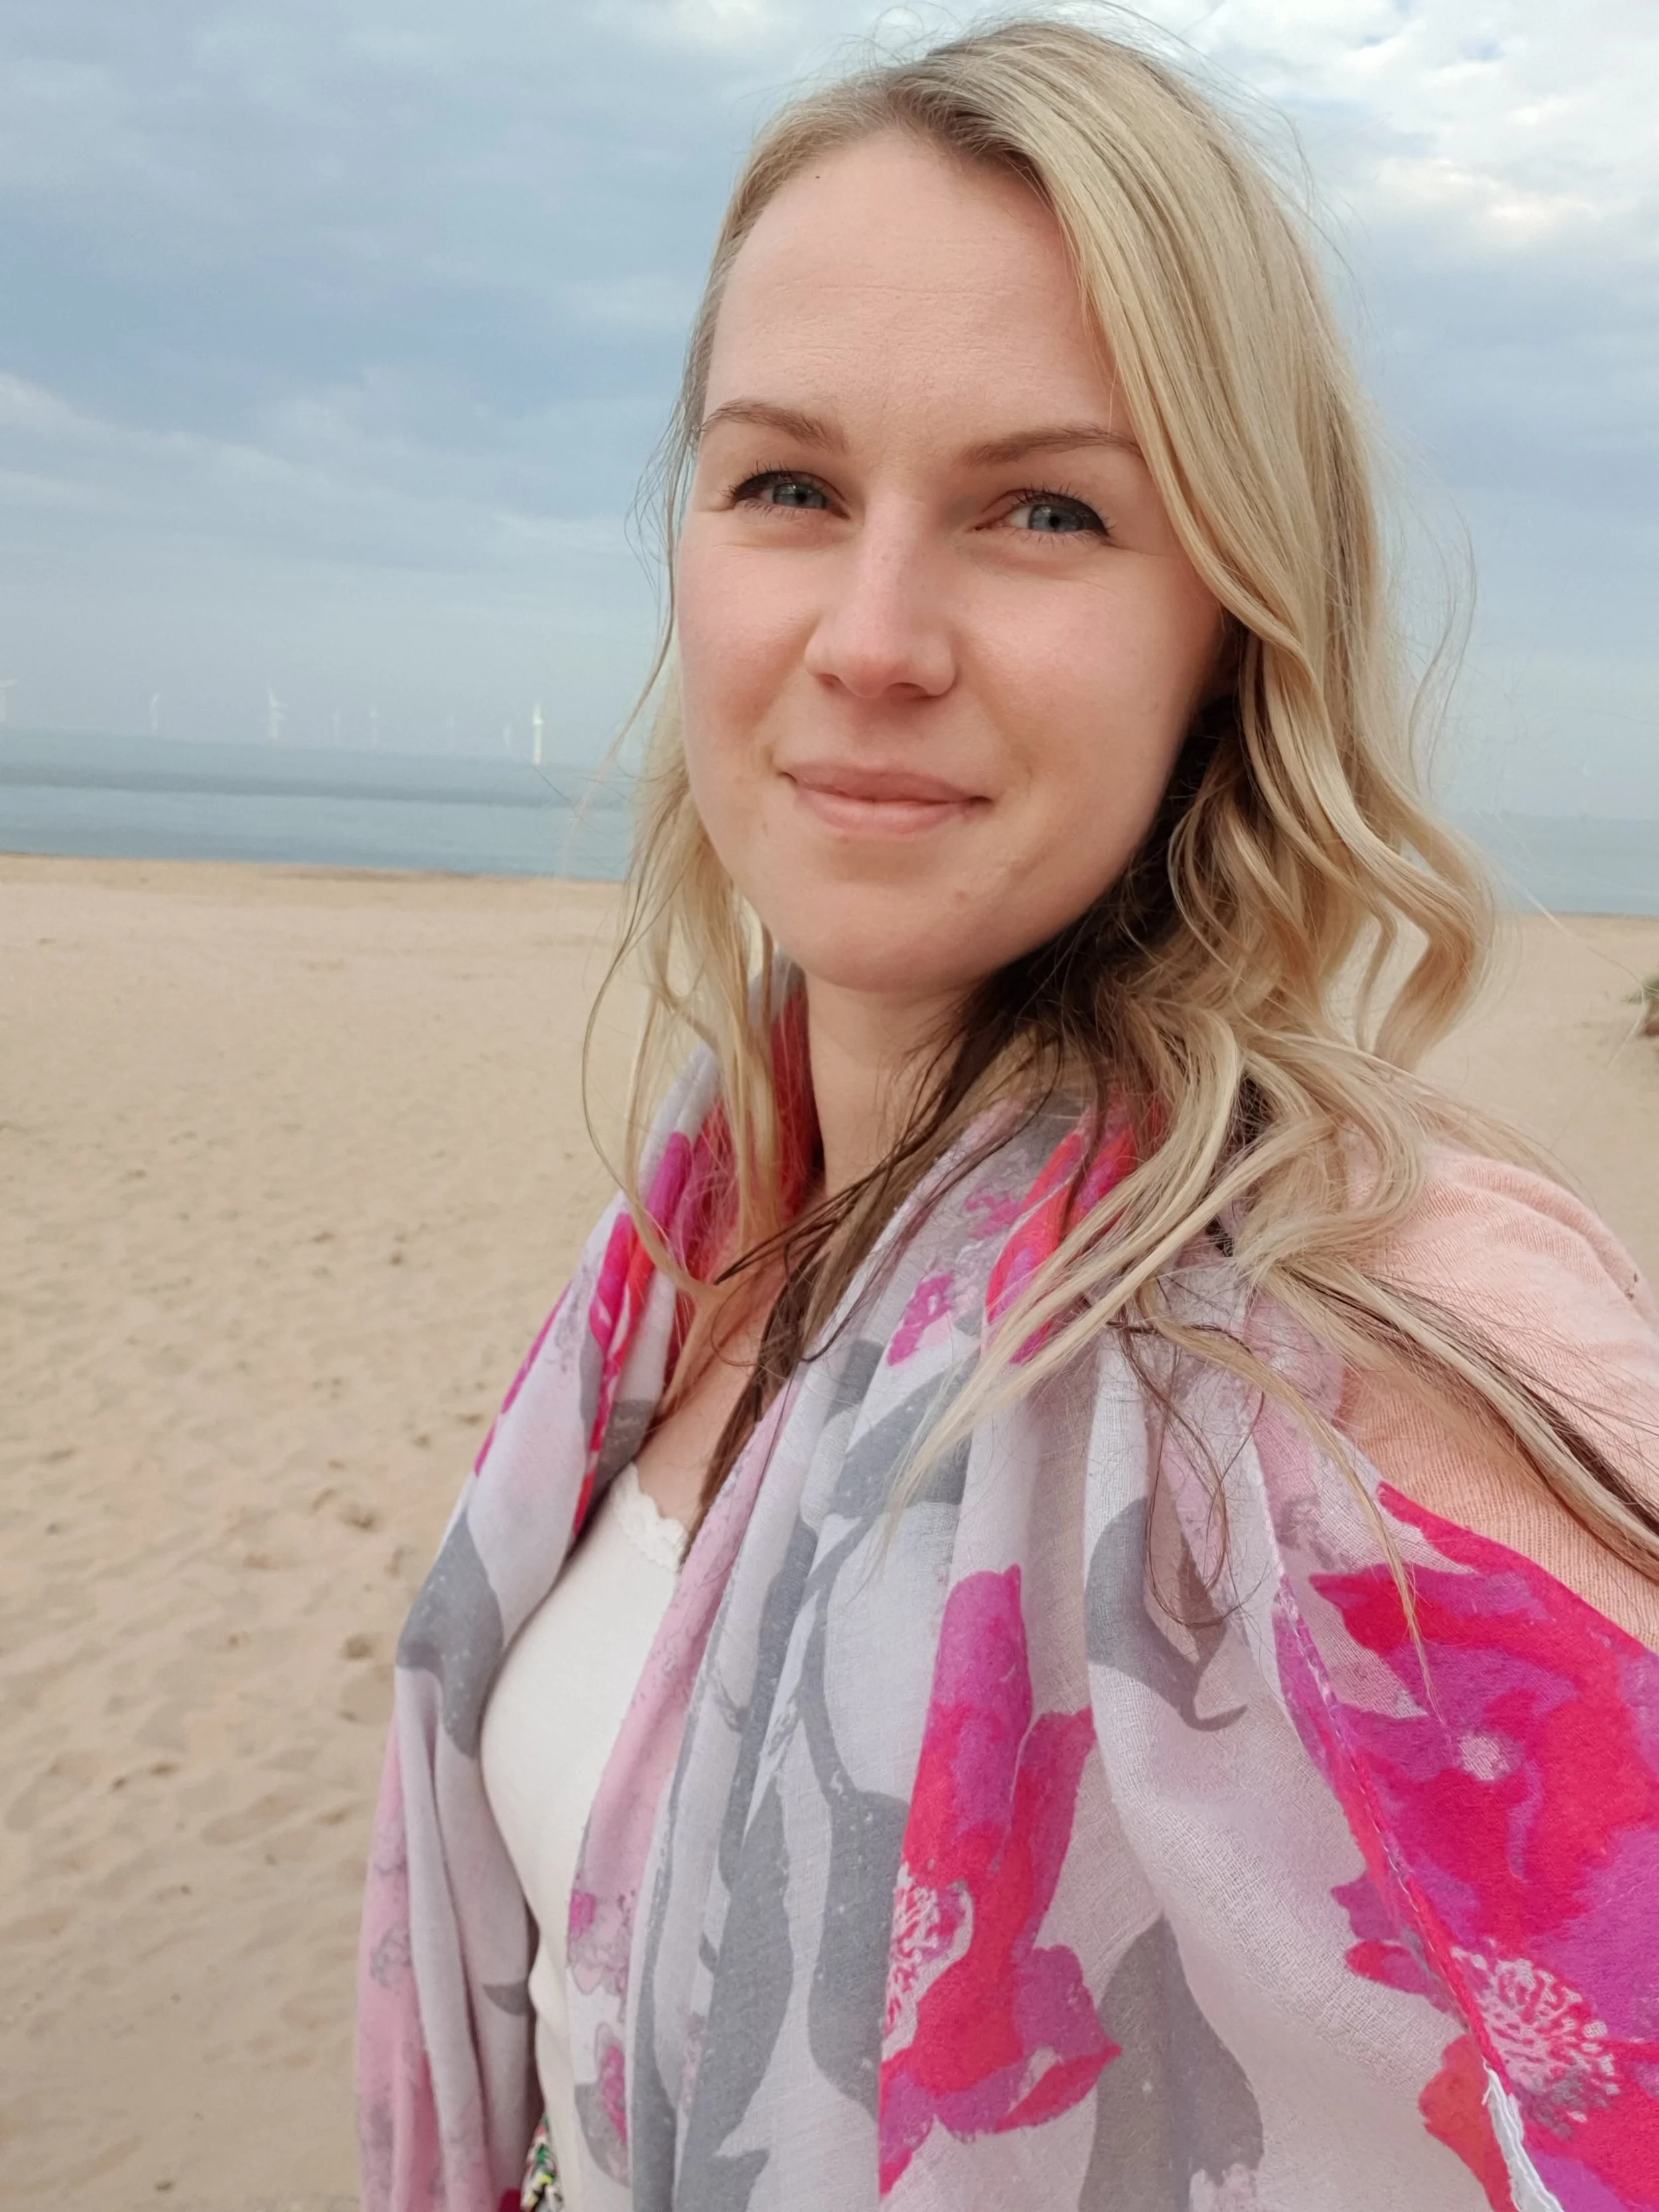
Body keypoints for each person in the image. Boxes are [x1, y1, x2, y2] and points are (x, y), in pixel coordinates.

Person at [356, 19, 1659, 2212]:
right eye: (785, 484)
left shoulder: (1358, 1315)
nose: (870, 635)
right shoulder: (700, 1228)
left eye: (1038, 509)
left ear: (1230, 623)